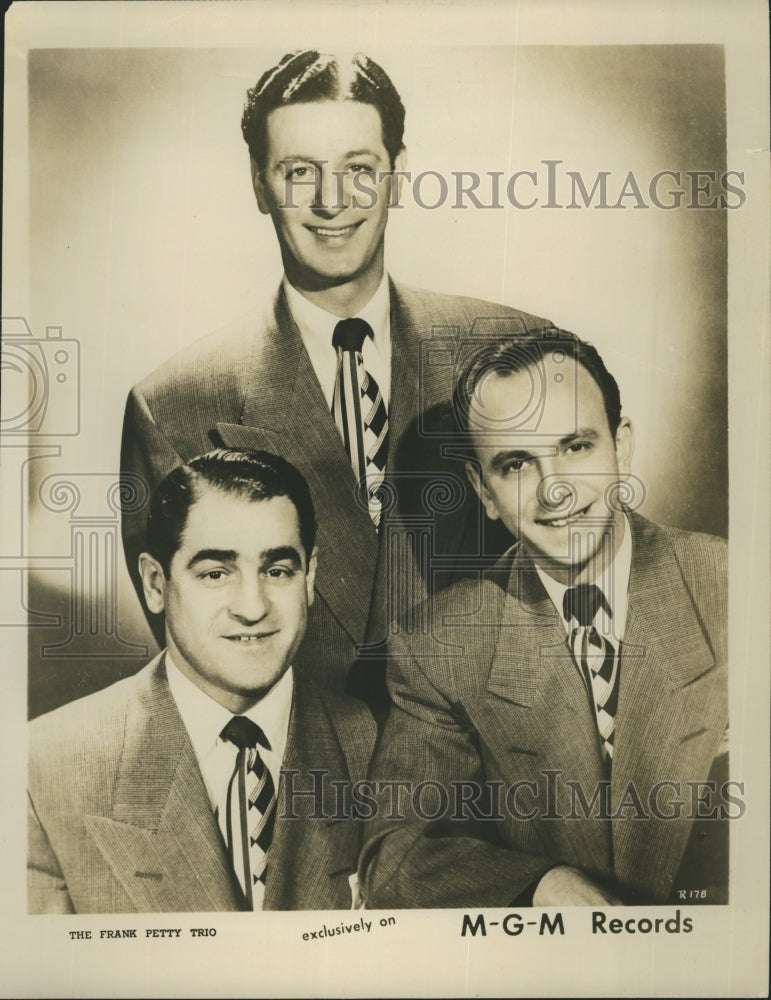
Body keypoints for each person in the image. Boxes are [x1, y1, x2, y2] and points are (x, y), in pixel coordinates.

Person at [120, 49, 549, 716]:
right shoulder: (172, 406)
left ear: (397, 175)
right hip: (304, 774)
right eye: (299, 172)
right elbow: (207, 669)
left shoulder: (515, 354)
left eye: (359, 170)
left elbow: (577, 588)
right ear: (258, 184)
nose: (331, 201)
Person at [359, 329, 729, 907]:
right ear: (483, 491)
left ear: (621, 447)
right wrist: (537, 885)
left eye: (576, 447)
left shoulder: (737, 588)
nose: (555, 490)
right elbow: (396, 856)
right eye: (516, 464)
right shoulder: (440, 644)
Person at [28, 449, 376, 913]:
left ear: (309, 577)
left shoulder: (376, 748)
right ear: (155, 584)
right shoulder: (43, 770)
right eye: (215, 573)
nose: (252, 607)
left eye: (277, 571)